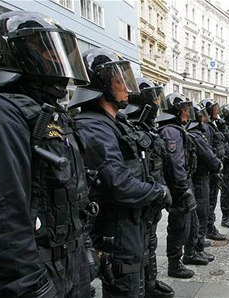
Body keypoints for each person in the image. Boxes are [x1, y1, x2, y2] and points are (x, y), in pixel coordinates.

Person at [0, 11, 92, 297]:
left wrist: (84, 254)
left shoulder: (49, 114)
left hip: (68, 264)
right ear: (19, 55)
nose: (56, 61)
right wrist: (29, 288)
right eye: (47, 52)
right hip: (36, 273)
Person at [69, 48, 170, 297]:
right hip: (117, 228)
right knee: (124, 288)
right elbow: (119, 185)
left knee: (136, 283)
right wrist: (158, 191)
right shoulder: (93, 126)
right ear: (102, 85)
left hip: (133, 224)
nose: (126, 87)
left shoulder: (115, 123)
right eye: (118, 80)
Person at [124, 77, 175, 298]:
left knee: (150, 243)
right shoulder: (129, 128)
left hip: (151, 200)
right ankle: (145, 285)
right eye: (153, 98)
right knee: (140, 247)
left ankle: (150, 283)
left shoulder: (147, 129)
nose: (157, 103)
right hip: (140, 200)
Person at [156, 93, 200, 278]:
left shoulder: (175, 129)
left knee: (188, 223)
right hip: (178, 185)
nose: (187, 114)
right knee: (179, 225)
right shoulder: (171, 131)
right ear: (174, 111)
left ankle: (180, 259)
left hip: (182, 183)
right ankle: (174, 264)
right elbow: (176, 163)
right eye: (184, 110)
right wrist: (183, 189)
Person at [185, 102, 221, 264]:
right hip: (199, 178)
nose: (204, 119)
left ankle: (197, 247)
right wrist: (218, 165)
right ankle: (195, 250)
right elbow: (208, 155)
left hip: (201, 177)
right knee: (200, 213)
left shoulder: (195, 132)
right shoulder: (195, 134)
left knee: (202, 212)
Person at [200, 99, 228, 241]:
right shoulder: (206, 127)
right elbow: (208, 150)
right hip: (210, 171)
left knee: (211, 201)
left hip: (214, 169)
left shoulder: (212, 125)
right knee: (209, 202)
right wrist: (215, 167)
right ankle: (208, 229)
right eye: (215, 108)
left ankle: (208, 228)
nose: (217, 111)